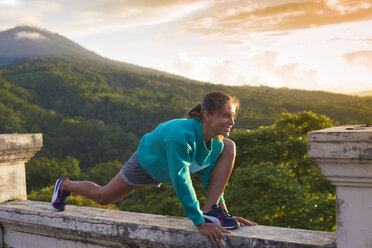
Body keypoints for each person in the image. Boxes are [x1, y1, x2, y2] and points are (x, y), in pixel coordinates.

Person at [51, 91, 256, 246]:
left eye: (233, 116)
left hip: (180, 164)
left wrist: (221, 212)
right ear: (207, 115)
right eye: (226, 115)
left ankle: (214, 211)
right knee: (104, 197)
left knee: (230, 146)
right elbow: (181, 179)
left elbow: (212, 181)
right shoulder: (180, 136)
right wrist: (200, 223)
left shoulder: (218, 143)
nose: (231, 121)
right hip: (149, 164)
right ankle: (66, 185)